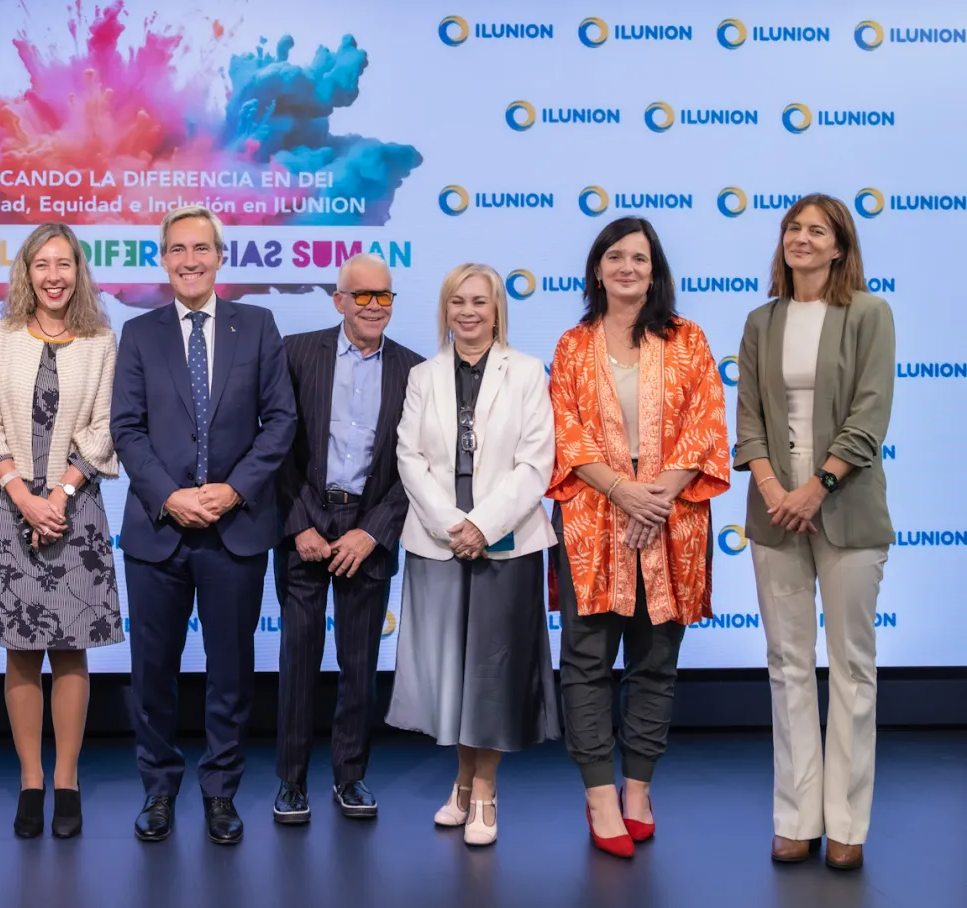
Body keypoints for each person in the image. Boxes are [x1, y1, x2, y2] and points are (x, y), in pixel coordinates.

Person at [111, 205, 296, 845]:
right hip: (157, 531)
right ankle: (158, 790)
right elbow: (126, 430)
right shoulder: (138, 332)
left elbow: (281, 423)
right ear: (163, 260)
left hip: (234, 530)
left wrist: (233, 490)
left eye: (201, 249)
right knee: (152, 674)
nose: (189, 260)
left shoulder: (259, 325)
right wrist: (169, 495)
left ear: (221, 257)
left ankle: (221, 792)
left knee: (231, 674)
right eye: (177, 250)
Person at [547, 217, 730, 858]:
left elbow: (707, 426)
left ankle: (638, 790)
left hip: (671, 522)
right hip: (592, 522)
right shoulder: (573, 346)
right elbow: (566, 434)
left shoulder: (688, 340)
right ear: (597, 269)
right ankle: (599, 794)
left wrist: (657, 494)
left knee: (655, 664)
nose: (628, 267)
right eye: (615, 257)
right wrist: (623, 492)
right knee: (588, 663)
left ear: (656, 272)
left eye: (640, 259)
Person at [734, 194, 895, 871]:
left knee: (853, 668)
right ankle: (796, 818)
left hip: (847, 508)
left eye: (817, 230)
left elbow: (870, 413)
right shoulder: (760, 319)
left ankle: (848, 823)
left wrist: (814, 488)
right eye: (793, 228)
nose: (802, 238)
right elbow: (748, 419)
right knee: (788, 667)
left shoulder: (868, 314)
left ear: (839, 247)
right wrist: (776, 492)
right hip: (775, 516)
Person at [0, 223, 122, 839]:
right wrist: (23, 495)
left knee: (70, 648)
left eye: (65, 264)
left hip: (75, 510)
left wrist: (60, 494)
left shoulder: (102, 341)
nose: (54, 275)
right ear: (26, 272)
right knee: (21, 648)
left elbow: (104, 429)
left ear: (78, 272)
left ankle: (67, 780)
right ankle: (31, 780)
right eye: (41, 264)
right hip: (10, 505)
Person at [386, 263, 559, 847]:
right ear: (444, 309)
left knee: (494, 674)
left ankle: (483, 789)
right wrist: (451, 523)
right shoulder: (423, 375)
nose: (468, 312)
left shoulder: (529, 371)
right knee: (452, 673)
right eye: (456, 301)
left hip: (507, 542)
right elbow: (409, 458)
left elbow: (536, 463)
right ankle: (462, 780)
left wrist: (482, 525)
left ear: (496, 310)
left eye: (479, 302)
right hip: (438, 542)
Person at [272, 252, 420, 826]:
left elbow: (417, 466)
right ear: (338, 301)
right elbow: (275, 447)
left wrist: (372, 533)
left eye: (384, 295)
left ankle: (350, 777)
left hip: (369, 531)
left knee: (359, 667)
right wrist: (299, 524)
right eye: (362, 295)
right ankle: (290, 781)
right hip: (304, 524)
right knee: (297, 662)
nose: (374, 305)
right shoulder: (296, 352)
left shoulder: (414, 368)